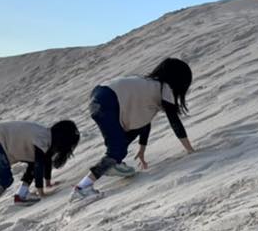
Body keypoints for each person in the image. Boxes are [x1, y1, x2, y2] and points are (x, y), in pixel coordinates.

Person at [73, 58, 195, 201]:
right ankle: (82, 187)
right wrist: (190, 150)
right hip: (109, 100)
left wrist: (142, 150)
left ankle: (114, 163)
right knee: (116, 150)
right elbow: (175, 122)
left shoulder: (147, 86)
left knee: (118, 145)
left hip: (99, 95)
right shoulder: (164, 88)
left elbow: (144, 122)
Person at [0, 119, 80, 223]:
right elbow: (39, 166)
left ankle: (21, 195)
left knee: (33, 162)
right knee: (5, 179)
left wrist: (48, 182)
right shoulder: (43, 139)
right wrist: (41, 193)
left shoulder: (47, 136)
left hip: (1, 139)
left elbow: (45, 160)